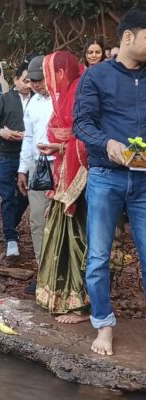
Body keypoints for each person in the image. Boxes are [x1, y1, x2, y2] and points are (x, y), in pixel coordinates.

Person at [74, 8, 146, 356]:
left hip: (144, 180)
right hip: (106, 176)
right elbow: (81, 124)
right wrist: (108, 144)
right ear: (128, 37)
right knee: (99, 256)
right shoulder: (97, 76)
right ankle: (104, 324)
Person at [35, 51, 90, 323]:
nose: (47, 83)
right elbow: (58, 131)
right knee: (60, 239)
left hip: (82, 180)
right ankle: (61, 298)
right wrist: (58, 146)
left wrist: (61, 145)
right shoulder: (64, 96)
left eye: (48, 75)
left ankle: (82, 305)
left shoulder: (81, 92)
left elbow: (87, 136)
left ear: (59, 73)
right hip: (63, 175)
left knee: (79, 240)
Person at [0, 63, 31, 257]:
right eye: (25, 80)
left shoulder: (38, 100)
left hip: (29, 155)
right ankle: (11, 238)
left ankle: (10, 223)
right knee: (7, 196)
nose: (29, 85)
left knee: (25, 195)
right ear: (16, 80)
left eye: (32, 81)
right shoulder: (3, 100)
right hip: (6, 154)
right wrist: (1, 132)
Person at [17, 55, 55, 268]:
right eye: (32, 81)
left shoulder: (63, 99)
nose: (36, 85)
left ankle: (63, 272)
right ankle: (44, 270)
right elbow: (28, 137)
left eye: (40, 80)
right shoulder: (33, 102)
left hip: (60, 164)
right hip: (38, 165)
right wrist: (23, 169)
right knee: (38, 219)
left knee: (60, 220)